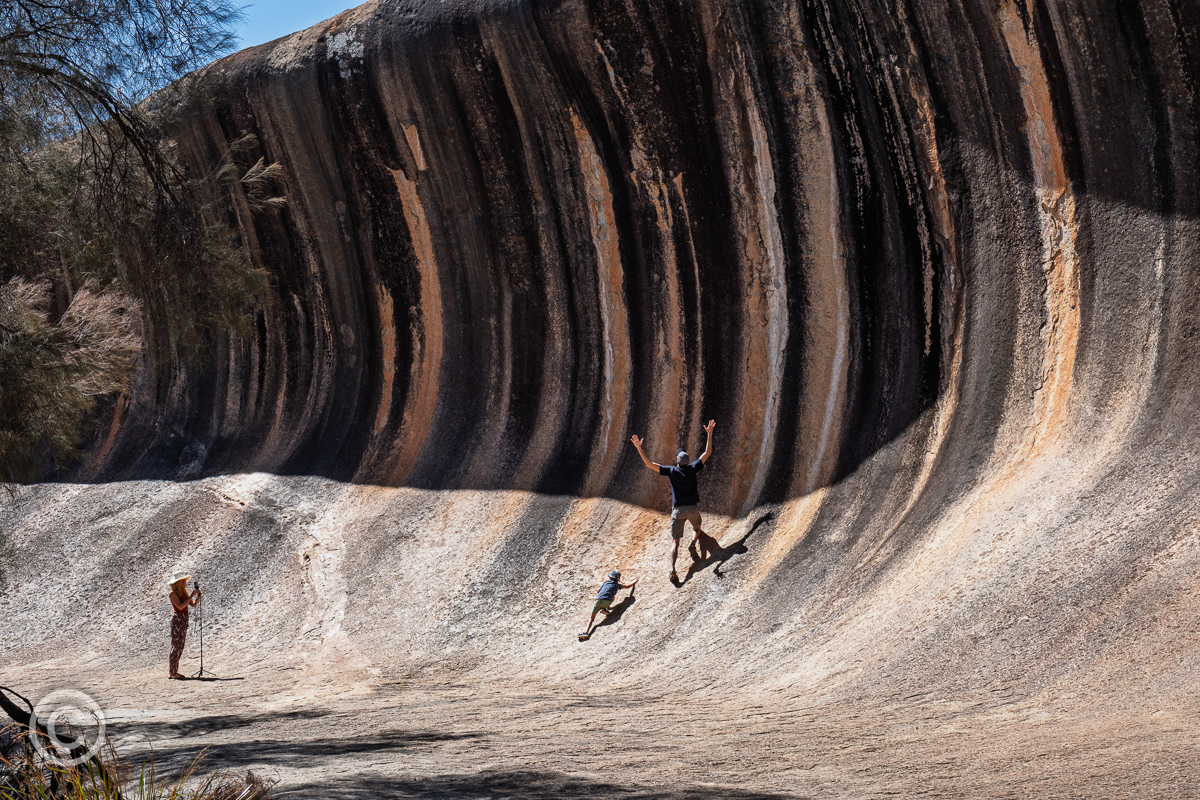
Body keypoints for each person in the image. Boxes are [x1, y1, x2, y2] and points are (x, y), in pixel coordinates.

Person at [631, 419, 716, 581]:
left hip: (677, 510)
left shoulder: (671, 471)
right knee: (697, 528)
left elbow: (649, 464)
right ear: (688, 461)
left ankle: (672, 571)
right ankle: (693, 543)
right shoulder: (692, 468)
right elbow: (707, 453)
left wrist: (639, 447)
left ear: (677, 461)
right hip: (692, 508)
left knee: (675, 542)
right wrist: (710, 433)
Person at [581, 570, 637, 639]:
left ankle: (586, 632)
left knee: (592, 618)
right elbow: (627, 586)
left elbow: (598, 591)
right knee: (612, 596)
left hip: (597, 601)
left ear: (610, 577)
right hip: (607, 601)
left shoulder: (606, 582)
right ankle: (605, 608)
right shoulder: (617, 585)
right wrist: (634, 582)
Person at [168, 571, 201, 679]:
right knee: (176, 645)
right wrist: (191, 595)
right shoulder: (173, 593)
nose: (183, 582)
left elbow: (193, 605)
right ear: (177, 582)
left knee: (180, 645)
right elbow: (180, 606)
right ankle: (172, 672)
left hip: (183, 619)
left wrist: (197, 597)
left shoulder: (183, 592)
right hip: (178, 618)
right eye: (181, 581)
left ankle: (174, 671)